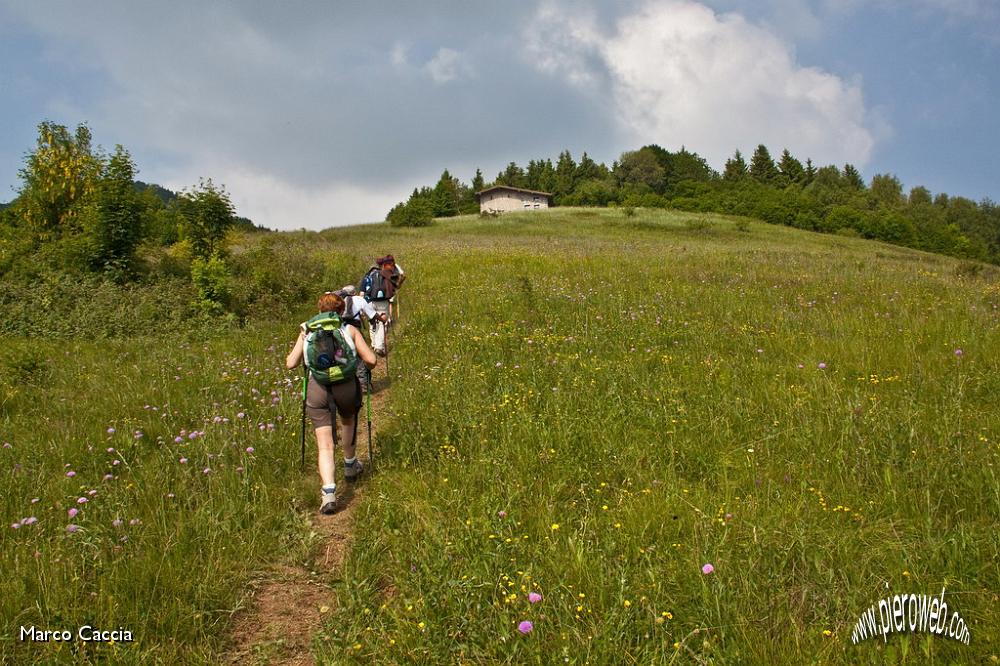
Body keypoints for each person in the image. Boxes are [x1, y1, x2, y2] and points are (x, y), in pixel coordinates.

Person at [286, 292, 377, 515]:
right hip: (346, 386)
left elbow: (290, 363)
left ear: (319, 310)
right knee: (348, 422)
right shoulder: (349, 330)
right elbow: (372, 360)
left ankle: (328, 494)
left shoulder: (307, 331)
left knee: (324, 444)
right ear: (341, 311)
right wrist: (363, 367)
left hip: (318, 389)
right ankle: (350, 465)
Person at [336, 285, 387, 391]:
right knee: (361, 355)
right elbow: (372, 315)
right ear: (354, 293)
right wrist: (382, 319)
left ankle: (345, 384)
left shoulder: (336, 300)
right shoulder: (359, 300)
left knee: (341, 355)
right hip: (354, 330)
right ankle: (363, 383)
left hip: (338, 330)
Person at [358, 255, 405, 356]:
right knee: (382, 323)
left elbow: (362, 293)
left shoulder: (367, 277)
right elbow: (400, 277)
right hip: (383, 302)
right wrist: (396, 265)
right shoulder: (385, 274)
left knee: (372, 323)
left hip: (369, 302)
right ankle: (379, 347)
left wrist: (362, 308)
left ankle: (374, 345)